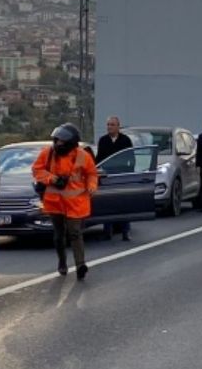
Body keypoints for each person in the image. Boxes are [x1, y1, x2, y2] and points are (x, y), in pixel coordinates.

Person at [32, 123, 98, 280]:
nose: (57, 144)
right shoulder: (47, 153)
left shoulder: (83, 156)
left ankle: (80, 265)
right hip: (55, 203)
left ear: (71, 143)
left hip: (75, 203)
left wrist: (91, 186)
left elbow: (92, 173)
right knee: (58, 235)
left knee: (75, 233)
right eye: (56, 140)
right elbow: (37, 170)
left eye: (61, 141)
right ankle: (62, 262)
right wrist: (52, 179)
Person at [97, 116, 134, 241]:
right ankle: (107, 231)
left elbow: (131, 158)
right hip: (107, 176)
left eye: (112, 125)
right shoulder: (103, 140)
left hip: (122, 176)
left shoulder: (125, 140)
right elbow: (99, 159)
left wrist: (129, 174)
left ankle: (126, 231)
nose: (109, 127)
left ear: (118, 126)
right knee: (107, 204)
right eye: (108, 124)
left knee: (124, 204)